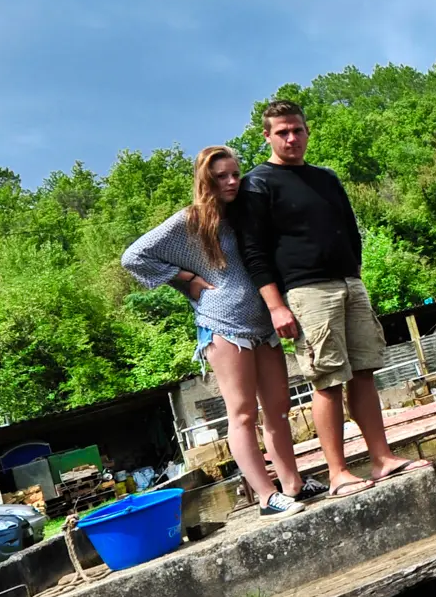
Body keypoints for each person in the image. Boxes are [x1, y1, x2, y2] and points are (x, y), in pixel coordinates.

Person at [234, 98, 429, 499]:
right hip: (306, 290)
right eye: (283, 132)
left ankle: (381, 457)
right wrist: (276, 305)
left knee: (364, 371)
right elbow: (253, 252)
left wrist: (354, 276)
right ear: (267, 136)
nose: (292, 138)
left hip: (348, 283)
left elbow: (349, 229)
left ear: (307, 131)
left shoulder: (326, 176)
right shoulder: (258, 183)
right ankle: (338, 471)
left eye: (298, 130)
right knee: (327, 379)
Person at [122, 146, 323, 518]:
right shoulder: (191, 220)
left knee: (278, 410)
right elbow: (133, 257)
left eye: (235, 174)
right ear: (206, 180)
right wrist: (187, 279)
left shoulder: (245, 212)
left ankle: (292, 483)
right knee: (243, 414)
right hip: (224, 326)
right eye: (221, 177)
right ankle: (265, 496)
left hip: (264, 323)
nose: (231, 182)